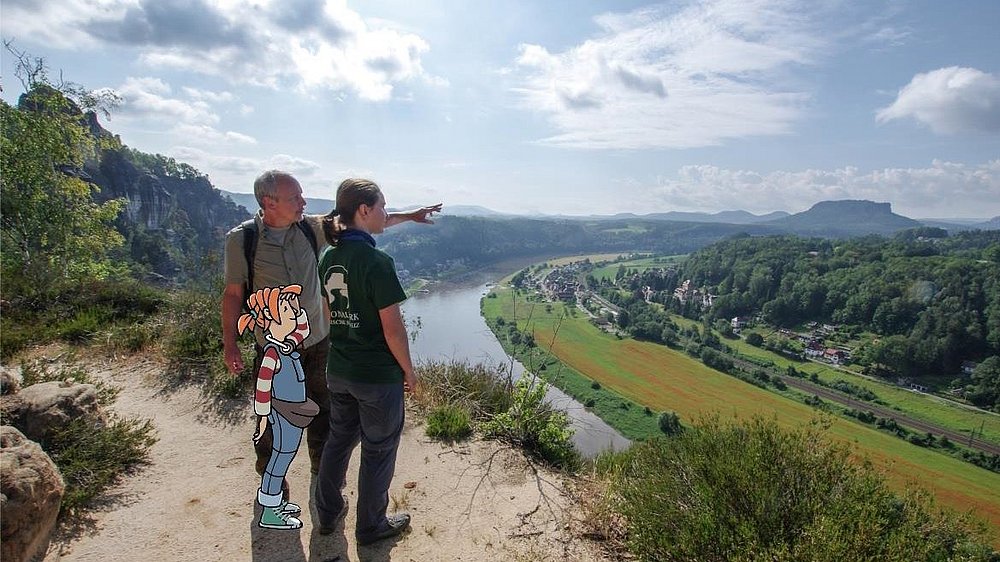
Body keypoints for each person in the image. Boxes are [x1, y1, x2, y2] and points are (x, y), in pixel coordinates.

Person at [221, 170, 440, 500]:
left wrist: (411, 216)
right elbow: (234, 294)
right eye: (295, 197)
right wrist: (230, 344)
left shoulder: (310, 229)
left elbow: (359, 222)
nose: (304, 202)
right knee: (273, 415)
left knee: (326, 413)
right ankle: (271, 478)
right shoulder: (243, 240)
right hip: (275, 349)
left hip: (320, 340)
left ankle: (323, 475)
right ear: (269, 202)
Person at [314, 178, 419, 546]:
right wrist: (408, 370)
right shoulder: (377, 262)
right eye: (383, 207)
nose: (386, 213)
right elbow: (393, 330)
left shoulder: (329, 256)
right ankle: (371, 527)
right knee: (378, 449)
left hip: (340, 369)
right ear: (364, 210)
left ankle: (327, 514)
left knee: (338, 439)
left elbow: (329, 314)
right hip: (376, 376)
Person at [238, 284, 317, 530]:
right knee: (280, 457)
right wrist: (262, 419)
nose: (292, 313)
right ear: (271, 318)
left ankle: (276, 503)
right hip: (282, 413)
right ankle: (271, 510)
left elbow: (302, 329)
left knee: (286, 454)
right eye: (285, 309)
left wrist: (295, 307)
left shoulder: (285, 344)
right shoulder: (271, 354)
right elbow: (262, 389)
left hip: (291, 412)